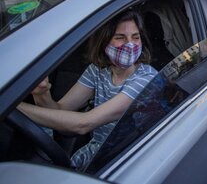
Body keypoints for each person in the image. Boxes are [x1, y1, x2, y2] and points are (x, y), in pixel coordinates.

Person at [18, 10, 158, 169]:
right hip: (97, 151)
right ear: (104, 41)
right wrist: (41, 94)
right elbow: (60, 110)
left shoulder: (147, 79)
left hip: (128, 158)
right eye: (120, 37)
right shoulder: (96, 70)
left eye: (136, 37)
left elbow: (83, 124)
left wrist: (12, 107)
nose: (130, 44)